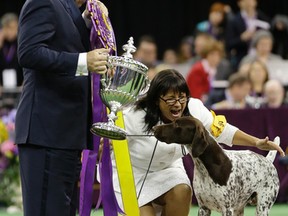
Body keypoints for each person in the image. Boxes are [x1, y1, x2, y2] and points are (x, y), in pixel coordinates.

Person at [111, 69, 285, 216]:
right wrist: (107, 143)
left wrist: (256, 142)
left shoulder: (194, 108)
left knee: (182, 191)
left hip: (168, 170)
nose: (178, 104)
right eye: (171, 98)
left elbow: (223, 131)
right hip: (135, 174)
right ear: (157, 100)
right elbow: (108, 139)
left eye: (182, 97)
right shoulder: (132, 117)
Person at [15, 0, 110, 216]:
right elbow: (29, 52)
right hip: (46, 131)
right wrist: (83, 61)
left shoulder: (67, 7)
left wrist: (88, 20)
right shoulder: (42, 1)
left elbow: (66, 42)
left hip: (66, 134)